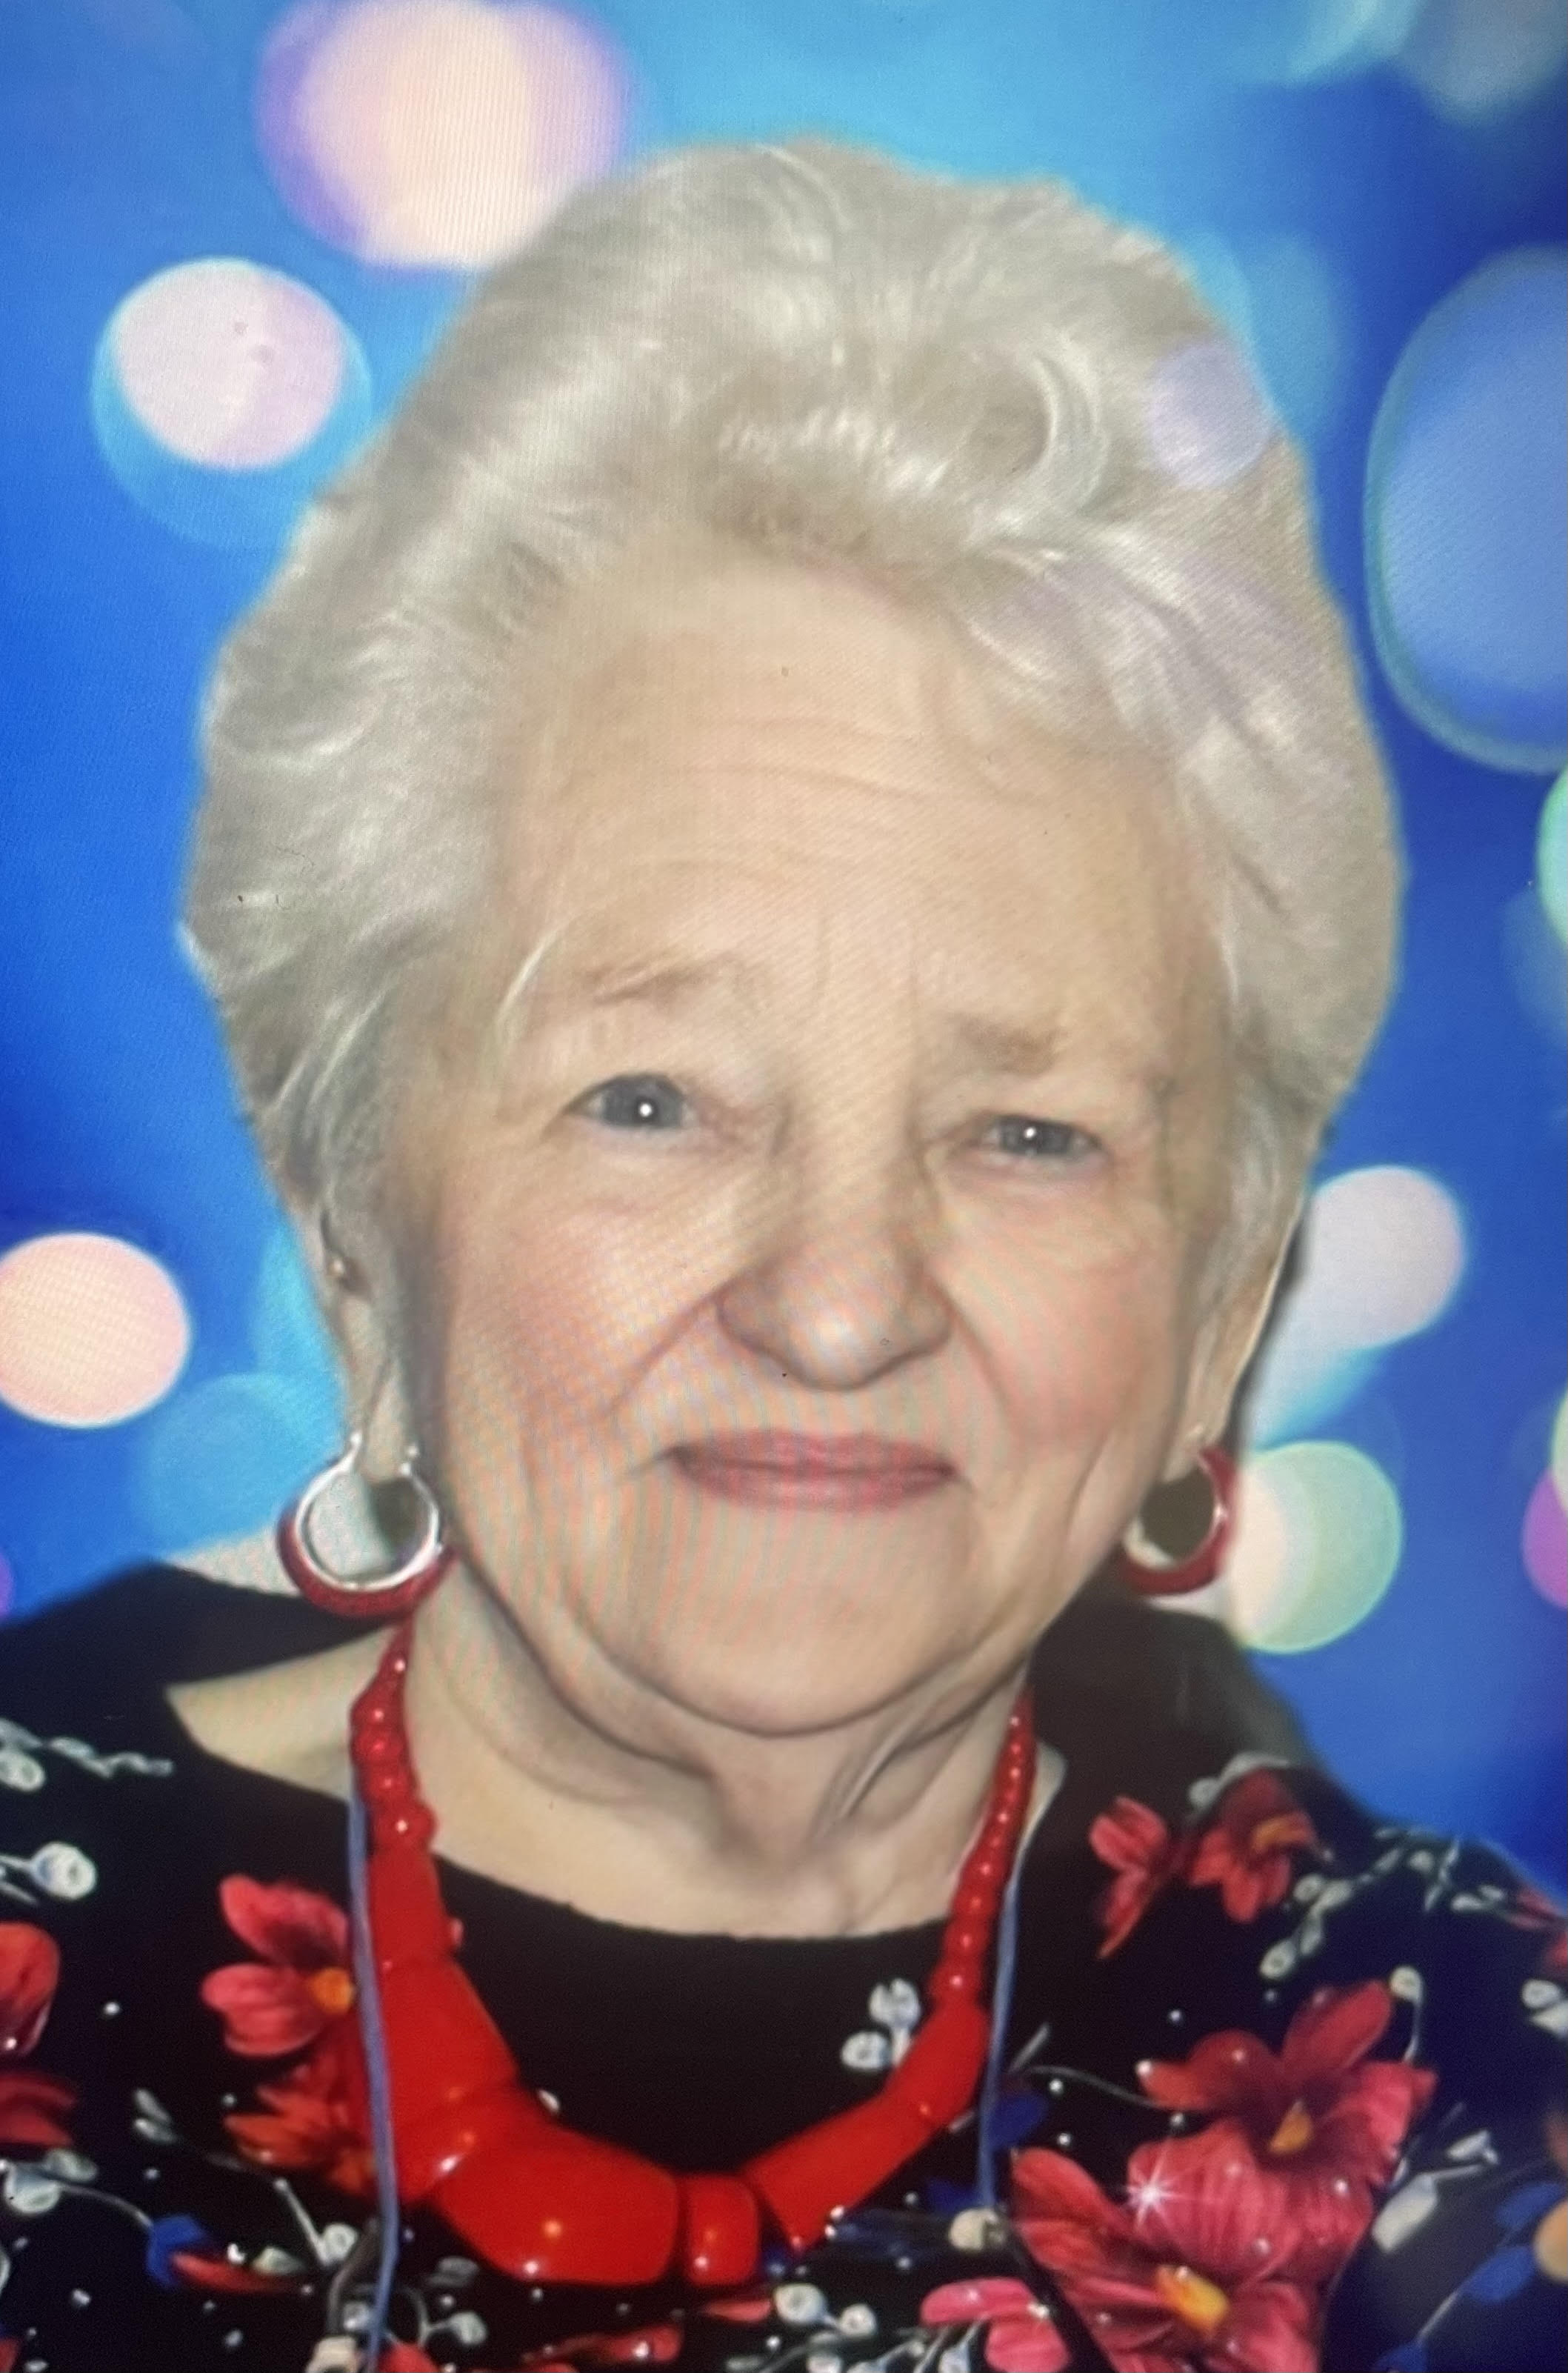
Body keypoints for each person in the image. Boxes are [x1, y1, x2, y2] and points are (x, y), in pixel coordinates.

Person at [0, 140, 1561, 2373]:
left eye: (1028, 1134)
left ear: (1226, 1297)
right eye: (651, 1100)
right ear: (354, 1215)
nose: (839, 1307)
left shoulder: (1453, 2071)